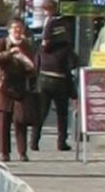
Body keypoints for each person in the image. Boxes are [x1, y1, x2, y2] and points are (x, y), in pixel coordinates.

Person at [0, 19, 38, 163]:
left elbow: (34, 63)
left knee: (20, 120)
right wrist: (8, 53)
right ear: (9, 30)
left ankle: (22, 152)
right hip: (4, 87)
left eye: (20, 28)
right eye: (15, 28)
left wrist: (30, 68)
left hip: (20, 86)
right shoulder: (2, 43)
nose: (17, 31)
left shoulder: (27, 45)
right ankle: (4, 152)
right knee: (4, 122)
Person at [31, 14, 78, 153]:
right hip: (60, 81)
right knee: (62, 114)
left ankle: (34, 141)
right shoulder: (65, 47)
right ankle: (61, 141)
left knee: (40, 113)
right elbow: (73, 64)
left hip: (43, 80)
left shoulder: (42, 48)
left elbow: (36, 64)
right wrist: (74, 93)